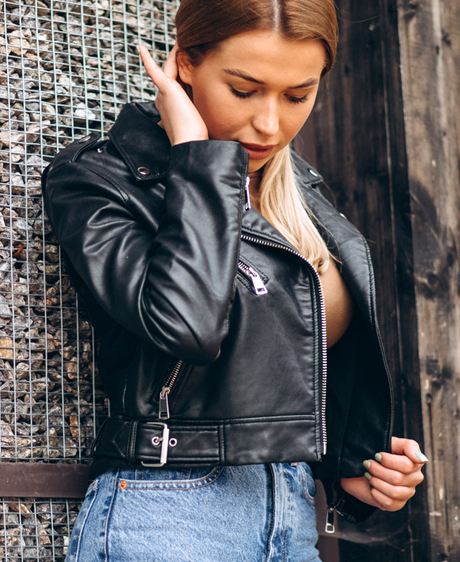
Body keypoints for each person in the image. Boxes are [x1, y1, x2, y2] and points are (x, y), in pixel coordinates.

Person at [42, 0, 426, 560]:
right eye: (244, 90)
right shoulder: (103, 180)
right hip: (168, 515)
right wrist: (199, 157)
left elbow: (282, 362)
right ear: (185, 63)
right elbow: (188, 327)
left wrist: (348, 464)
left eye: (298, 95)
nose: (270, 123)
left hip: (291, 514)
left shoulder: (300, 195)